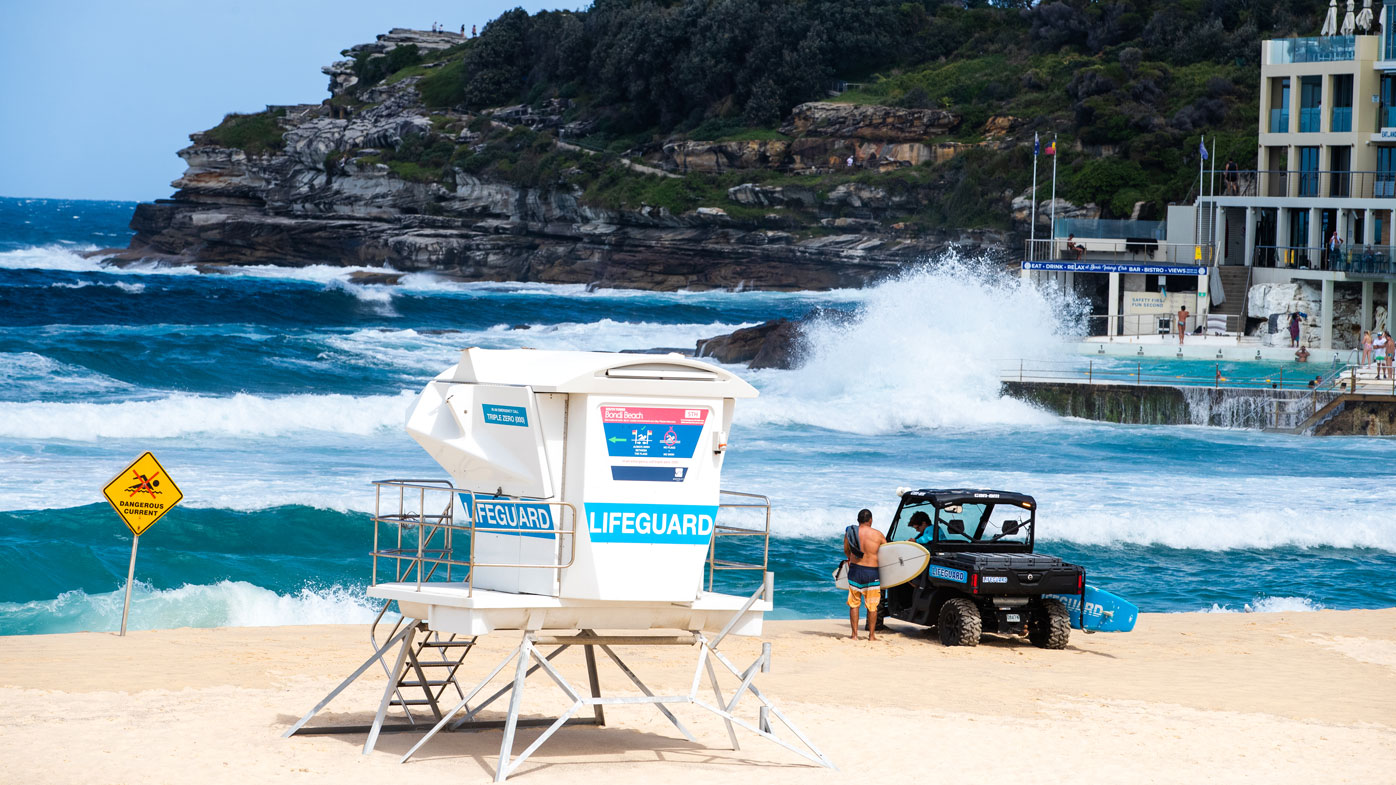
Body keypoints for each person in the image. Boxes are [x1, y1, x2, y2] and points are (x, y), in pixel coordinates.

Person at [843, 508, 885, 641]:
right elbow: (887, 553)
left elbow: (846, 550)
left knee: (854, 603)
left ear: (858, 520)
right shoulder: (878, 535)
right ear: (871, 520)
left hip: (855, 570)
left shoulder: (850, 532)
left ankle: (854, 635)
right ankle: (871, 636)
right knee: (872, 605)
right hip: (871, 572)